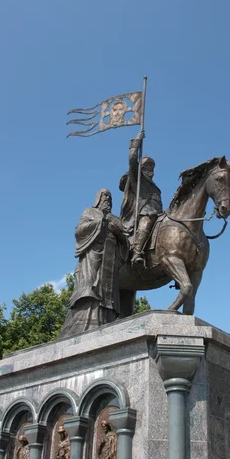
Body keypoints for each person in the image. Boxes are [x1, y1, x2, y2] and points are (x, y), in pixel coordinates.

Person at [59, 189, 128, 338]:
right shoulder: (89, 212)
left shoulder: (115, 219)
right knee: (90, 287)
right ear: (98, 198)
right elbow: (79, 231)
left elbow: (125, 243)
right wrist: (99, 222)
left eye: (110, 197)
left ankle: (104, 321)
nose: (108, 199)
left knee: (107, 294)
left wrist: (119, 233)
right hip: (93, 257)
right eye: (105, 196)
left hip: (110, 261)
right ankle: (83, 323)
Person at [119, 130, 163, 266]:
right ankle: (137, 252)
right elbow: (132, 158)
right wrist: (137, 140)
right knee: (146, 222)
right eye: (148, 166)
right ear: (142, 168)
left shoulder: (156, 187)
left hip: (158, 214)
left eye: (152, 166)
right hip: (144, 213)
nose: (151, 169)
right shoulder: (137, 177)